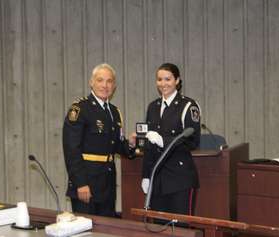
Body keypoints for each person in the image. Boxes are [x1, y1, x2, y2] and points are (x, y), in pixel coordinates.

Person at [63, 63, 136, 217]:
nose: (105, 85)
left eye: (109, 81)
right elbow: (71, 150)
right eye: (100, 80)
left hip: (107, 184)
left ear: (114, 86)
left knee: (107, 229)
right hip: (86, 184)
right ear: (91, 82)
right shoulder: (80, 109)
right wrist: (80, 183)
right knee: (86, 230)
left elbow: (114, 145)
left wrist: (129, 143)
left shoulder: (114, 112)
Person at [141, 63, 201, 217]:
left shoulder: (188, 106)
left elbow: (192, 141)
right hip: (157, 178)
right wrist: (146, 175)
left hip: (179, 180)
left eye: (168, 79)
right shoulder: (153, 107)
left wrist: (164, 141)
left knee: (180, 228)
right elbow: (149, 145)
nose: (163, 84)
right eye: (159, 79)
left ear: (177, 80)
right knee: (159, 228)